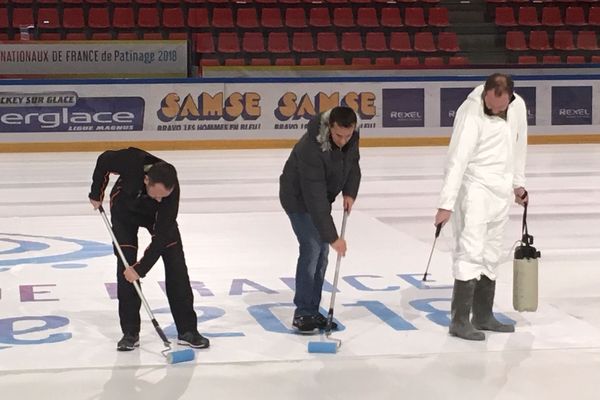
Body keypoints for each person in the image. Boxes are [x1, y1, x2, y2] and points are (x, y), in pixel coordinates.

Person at [435, 73, 529, 341]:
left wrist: (518, 186)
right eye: (491, 104)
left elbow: (519, 146)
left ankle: (484, 315)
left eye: (500, 107)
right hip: (474, 189)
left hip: (500, 191)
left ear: (509, 98)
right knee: (471, 250)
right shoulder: (470, 111)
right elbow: (457, 159)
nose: (494, 110)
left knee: (491, 253)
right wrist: (446, 203)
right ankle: (460, 320)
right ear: (485, 92)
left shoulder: (518, 107)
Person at [89, 147, 209, 351]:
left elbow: (161, 238)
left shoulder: (169, 192)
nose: (161, 199)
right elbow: (103, 160)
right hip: (125, 211)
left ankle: (188, 330)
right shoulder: (130, 160)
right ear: (146, 181)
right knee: (126, 266)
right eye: (158, 194)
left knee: (176, 265)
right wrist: (96, 192)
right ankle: (130, 332)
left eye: (165, 196)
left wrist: (141, 269)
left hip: (156, 217)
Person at [279, 106, 361, 333]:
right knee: (313, 248)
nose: (343, 141)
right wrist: (333, 237)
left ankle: (313, 309)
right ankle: (303, 312)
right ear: (329, 128)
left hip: (321, 198)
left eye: (348, 135)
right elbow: (314, 199)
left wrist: (349, 192)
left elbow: (353, 165)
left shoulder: (352, 137)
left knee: (322, 254)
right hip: (298, 198)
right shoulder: (311, 148)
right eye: (338, 136)